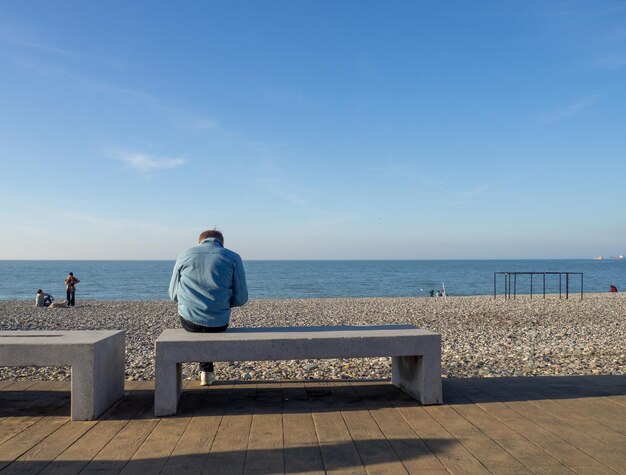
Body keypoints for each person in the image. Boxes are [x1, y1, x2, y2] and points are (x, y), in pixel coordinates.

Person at [169, 229, 248, 386]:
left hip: (189, 321)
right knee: (209, 324)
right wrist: (222, 303)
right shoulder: (232, 257)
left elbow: (173, 294)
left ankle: (206, 371)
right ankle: (206, 371)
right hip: (219, 322)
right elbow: (241, 298)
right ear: (221, 242)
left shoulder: (185, 254)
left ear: (200, 241)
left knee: (199, 324)